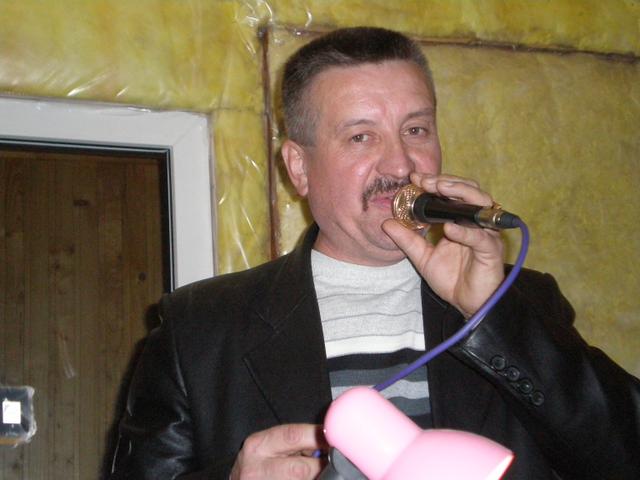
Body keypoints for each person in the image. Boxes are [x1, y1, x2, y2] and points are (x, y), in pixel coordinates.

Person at [110, 27, 640, 479]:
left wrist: (490, 315)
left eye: (416, 129)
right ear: (298, 168)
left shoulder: (521, 300)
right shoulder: (198, 328)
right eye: (361, 137)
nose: (401, 163)